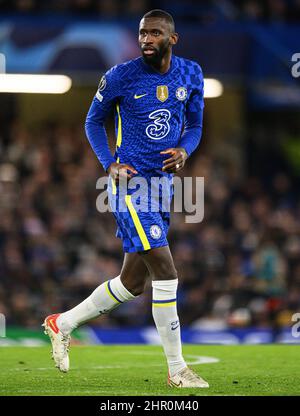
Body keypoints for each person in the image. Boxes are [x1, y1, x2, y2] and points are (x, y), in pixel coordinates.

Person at [43, 9, 208, 388]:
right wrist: (109, 164)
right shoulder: (121, 76)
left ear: (172, 38)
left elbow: (195, 125)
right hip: (130, 186)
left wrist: (185, 149)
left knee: (132, 282)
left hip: (163, 187)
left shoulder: (191, 73)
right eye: (142, 33)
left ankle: (61, 323)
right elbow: (92, 120)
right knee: (166, 272)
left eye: (154, 33)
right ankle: (178, 370)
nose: (146, 39)